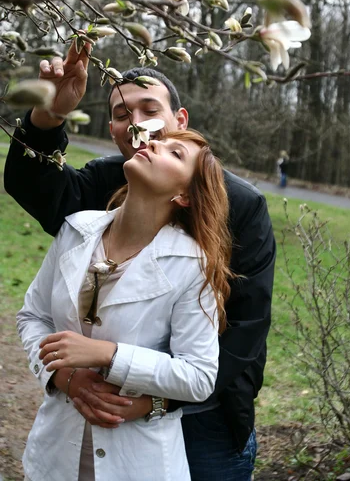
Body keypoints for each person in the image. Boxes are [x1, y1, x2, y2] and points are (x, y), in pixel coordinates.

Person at [5, 40, 276, 481]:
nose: (135, 123)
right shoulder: (100, 190)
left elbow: (244, 328)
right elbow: (34, 187)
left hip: (205, 414)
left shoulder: (240, 206)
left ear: (179, 121)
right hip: (88, 411)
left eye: (149, 107)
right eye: (119, 114)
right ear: (112, 131)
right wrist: (49, 114)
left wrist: (156, 402)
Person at [17, 129, 231, 481]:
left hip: (139, 463)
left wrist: (108, 354)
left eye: (175, 153)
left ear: (185, 196)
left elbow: (199, 376)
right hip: (53, 455)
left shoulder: (193, 264)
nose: (153, 143)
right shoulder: (75, 230)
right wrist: (62, 376)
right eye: (158, 141)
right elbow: (33, 316)